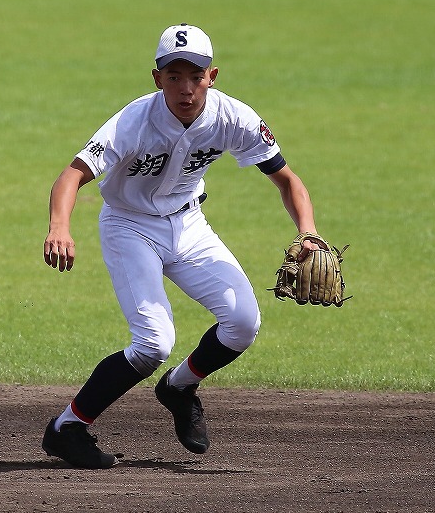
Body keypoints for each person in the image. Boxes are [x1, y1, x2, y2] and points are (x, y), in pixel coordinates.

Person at [41, 23, 325, 469]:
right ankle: (68, 428)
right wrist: (60, 226)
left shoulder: (235, 118)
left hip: (190, 224)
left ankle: (178, 386)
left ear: (212, 75)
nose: (186, 88)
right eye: (174, 76)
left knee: (243, 322)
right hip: (129, 227)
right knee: (153, 342)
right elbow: (72, 175)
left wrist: (307, 229)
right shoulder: (135, 120)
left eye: (195, 76)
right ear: (157, 79)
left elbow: (287, 180)